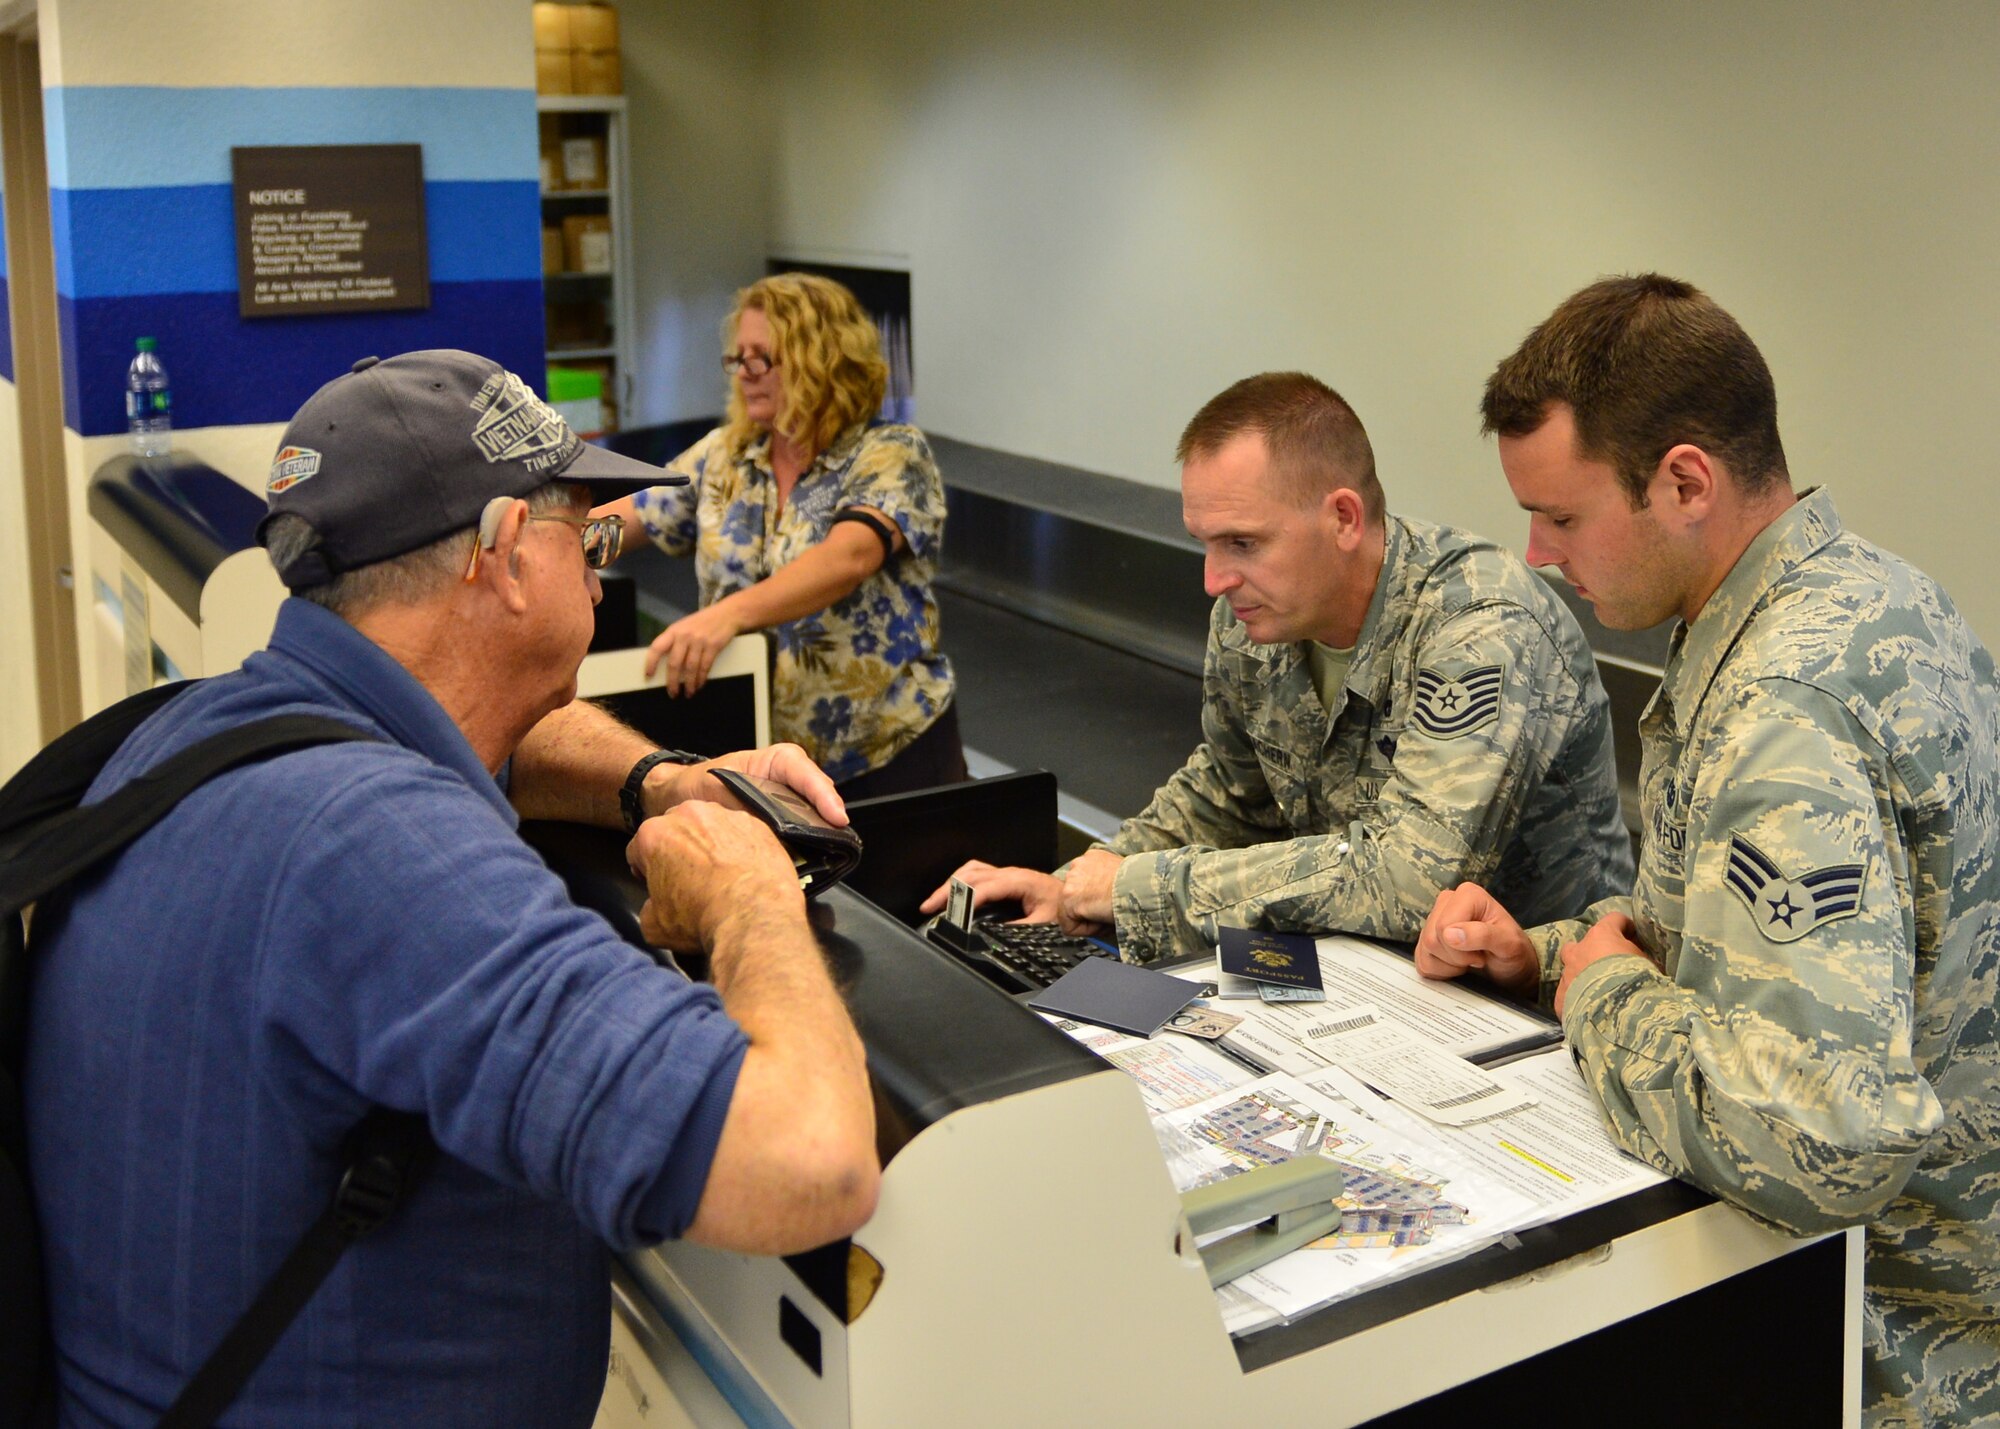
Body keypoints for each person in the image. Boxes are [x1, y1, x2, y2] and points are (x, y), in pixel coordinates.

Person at [23, 352, 880, 1428]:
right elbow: (810, 1162)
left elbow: (492, 727)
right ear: (509, 555)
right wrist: (747, 889)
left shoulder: (201, 730)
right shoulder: (382, 853)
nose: (599, 572)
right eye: (590, 537)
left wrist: (658, 782)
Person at [1413, 275, 1998, 1429]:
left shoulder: (1783, 699)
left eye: (1561, 517)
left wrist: (1606, 998)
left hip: (1883, 1356)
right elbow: (1782, 959)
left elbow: (1828, 1134)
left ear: (1683, 480)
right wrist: (1546, 956)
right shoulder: (1874, 598)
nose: (1532, 552)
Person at [924, 372, 1632, 964]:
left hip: (1531, 1001)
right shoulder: (1252, 620)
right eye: (1204, 543)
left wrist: (1134, 888)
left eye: (1242, 542)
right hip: (1364, 977)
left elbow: (1408, 877)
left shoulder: (1479, 624)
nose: (1214, 579)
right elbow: (1229, 796)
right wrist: (1073, 886)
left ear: (1344, 519)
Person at [596, 272, 965, 798]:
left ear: (824, 360)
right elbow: (629, 517)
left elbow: (849, 557)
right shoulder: (723, 456)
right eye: (737, 358)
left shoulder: (890, 453)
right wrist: (547, 539)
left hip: (885, 758)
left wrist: (725, 616)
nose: (745, 373)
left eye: (762, 357)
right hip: (765, 760)